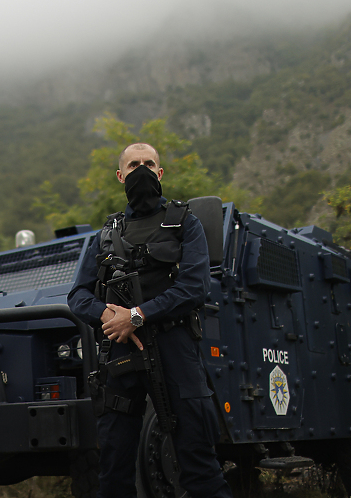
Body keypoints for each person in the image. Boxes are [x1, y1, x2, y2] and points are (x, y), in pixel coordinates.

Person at [67, 143, 231, 498]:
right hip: (122, 355)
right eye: (133, 165)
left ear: (160, 172)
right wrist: (109, 315)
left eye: (149, 164)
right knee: (113, 470)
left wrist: (137, 316)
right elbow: (78, 297)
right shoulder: (107, 234)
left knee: (199, 464)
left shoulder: (185, 222)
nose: (141, 170)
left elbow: (195, 288)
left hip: (174, 348)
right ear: (120, 175)